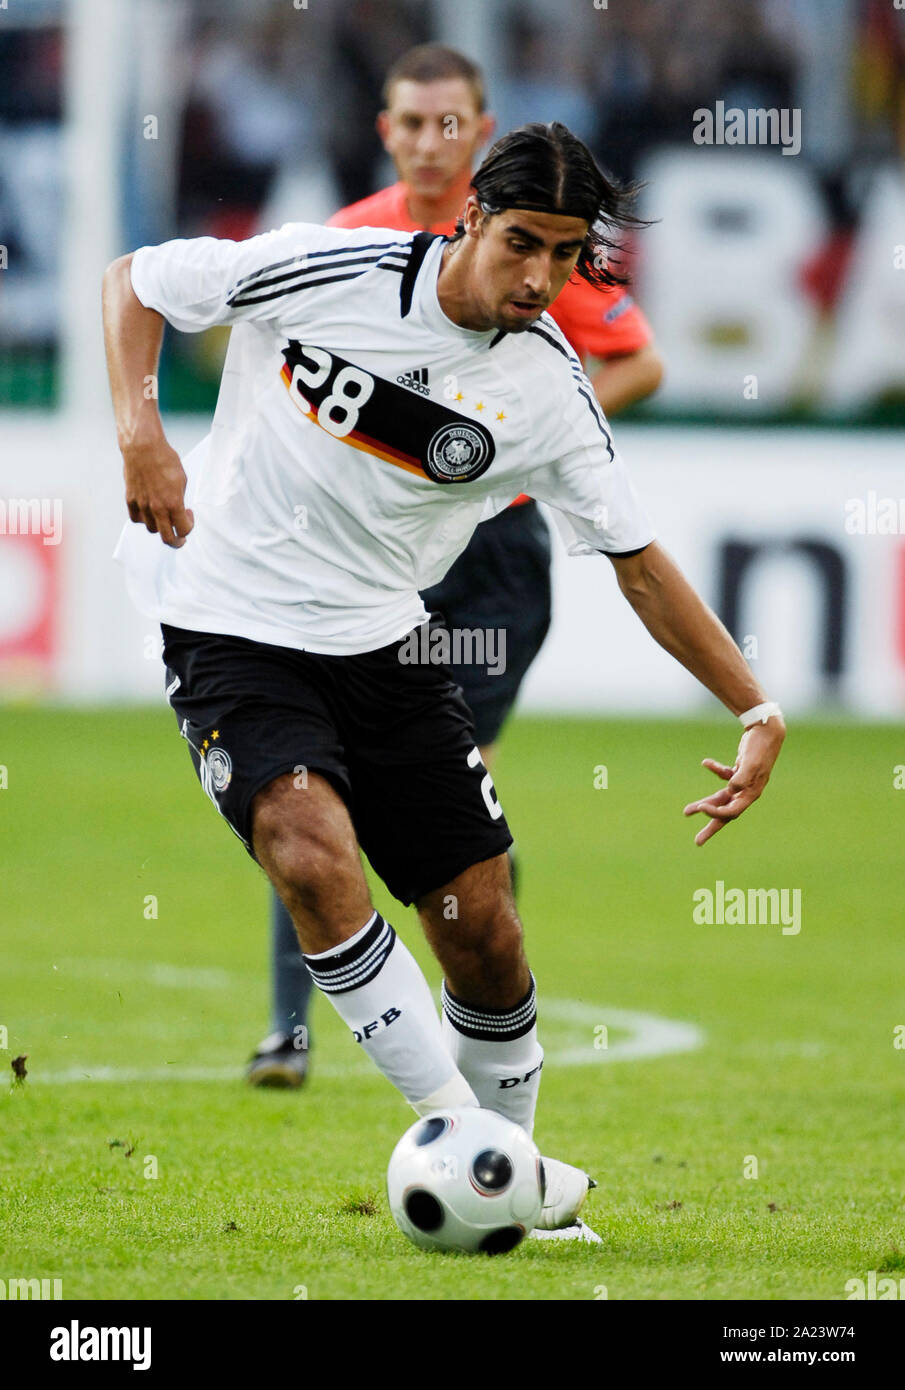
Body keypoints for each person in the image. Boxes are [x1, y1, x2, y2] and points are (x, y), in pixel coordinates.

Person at [104, 122, 785, 1240]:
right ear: (469, 217)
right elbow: (132, 280)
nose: (539, 277)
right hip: (228, 622)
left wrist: (753, 706)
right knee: (306, 848)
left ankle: (504, 1170)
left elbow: (640, 565)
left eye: (566, 257)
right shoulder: (331, 268)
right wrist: (140, 429)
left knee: (483, 929)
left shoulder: (549, 389)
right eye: (521, 242)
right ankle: (473, 1146)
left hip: (387, 646)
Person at [249, 44, 664, 1088]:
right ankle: (288, 1029)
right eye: (406, 123)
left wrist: (510, 455)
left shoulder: (531, 238)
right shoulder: (349, 240)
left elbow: (636, 358)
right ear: (383, 131)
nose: (425, 141)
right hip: (363, 557)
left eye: (448, 124)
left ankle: (473, 957)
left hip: (488, 562)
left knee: (417, 777)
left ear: (479, 135)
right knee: (312, 784)